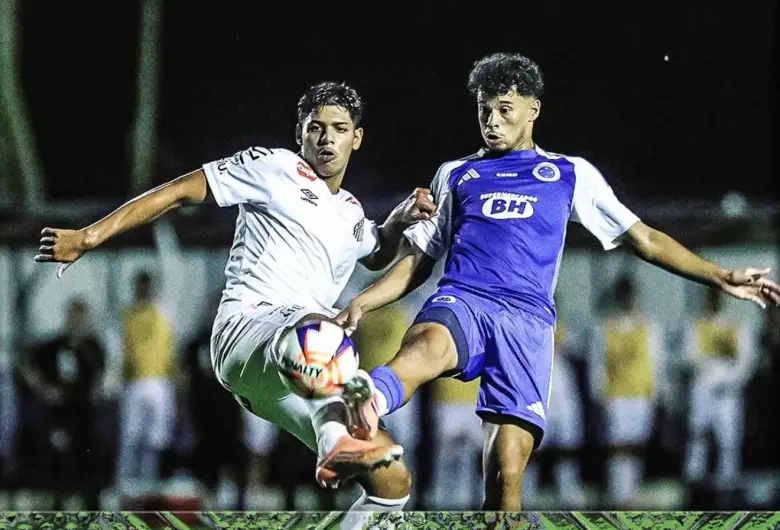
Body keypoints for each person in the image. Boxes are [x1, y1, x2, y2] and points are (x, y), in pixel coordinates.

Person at [335, 52, 780, 510]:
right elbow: (419, 260)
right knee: (425, 345)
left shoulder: (569, 174)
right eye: (484, 109)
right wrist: (364, 302)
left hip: (527, 325)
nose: (492, 120)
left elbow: (644, 238)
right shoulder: (457, 173)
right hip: (466, 299)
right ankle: (362, 407)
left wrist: (720, 275)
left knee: (507, 474)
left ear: (533, 109)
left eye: (504, 109)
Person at [34, 81, 435, 518]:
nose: (326, 139)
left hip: (297, 371)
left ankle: (336, 442)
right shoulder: (273, 166)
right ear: (298, 132)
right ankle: (333, 441)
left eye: (339, 128)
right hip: (248, 334)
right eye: (315, 128)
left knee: (393, 482)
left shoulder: (353, 213)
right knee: (322, 329)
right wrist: (89, 236)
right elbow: (178, 191)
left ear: (356, 138)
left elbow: (375, 253)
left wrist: (395, 223)